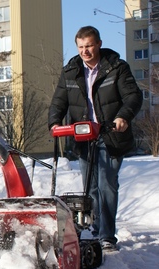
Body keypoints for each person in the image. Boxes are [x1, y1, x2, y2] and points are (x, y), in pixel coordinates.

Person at [48, 26, 143, 252]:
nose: (85, 51)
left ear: (98, 43)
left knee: (106, 184)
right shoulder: (70, 71)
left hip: (110, 134)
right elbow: (58, 102)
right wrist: (54, 122)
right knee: (90, 188)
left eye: (89, 46)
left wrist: (123, 117)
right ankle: (94, 229)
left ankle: (107, 235)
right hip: (83, 136)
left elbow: (133, 96)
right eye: (81, 47)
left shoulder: (117, 67)